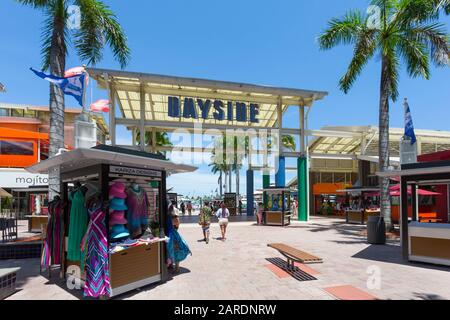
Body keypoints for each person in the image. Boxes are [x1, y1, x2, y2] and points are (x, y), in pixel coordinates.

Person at [166, 204, 191, 273]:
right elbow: (177, 227)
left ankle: (176, 267)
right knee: (174, 251)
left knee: (175, 251)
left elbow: (176, 227)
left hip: (173, 237)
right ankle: (172, 265)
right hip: (173, 236)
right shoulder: (174, 218)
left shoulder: (173, 218)